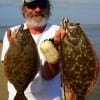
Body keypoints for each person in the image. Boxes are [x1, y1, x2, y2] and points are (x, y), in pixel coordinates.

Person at [1, 0, 67, 100]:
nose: (37, 9)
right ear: (24, 9)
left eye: (42, 4)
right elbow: (9, 68)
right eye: (32, 6)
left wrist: (55, 47)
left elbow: (48, 75)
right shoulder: (12, 33)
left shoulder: (59, 33)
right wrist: (13, 47)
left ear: (48, 8)